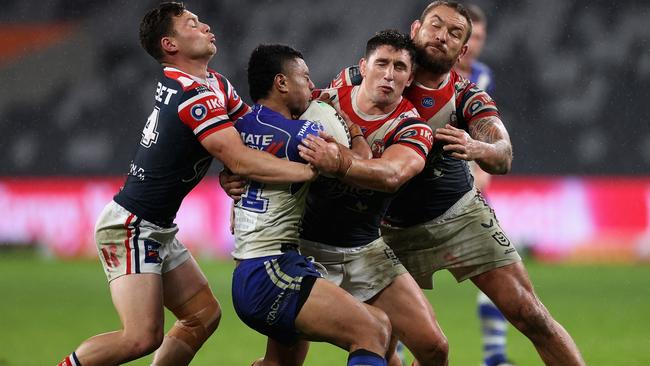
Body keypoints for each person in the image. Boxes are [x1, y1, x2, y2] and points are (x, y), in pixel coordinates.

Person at [56, 3, 318, 366]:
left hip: (156, 226)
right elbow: (242, 156)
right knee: (141, 336)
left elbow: (254, 132)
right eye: (192, 24)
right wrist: (310, 171)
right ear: (170, 45)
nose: (206, 26)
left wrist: (233, 169)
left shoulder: (212, 85)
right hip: (131, 226)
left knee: (202, 315)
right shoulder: (193, 96)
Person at [380, 2, 586, 365]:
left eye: (455, 33)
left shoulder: (467, 96)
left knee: (531, 314)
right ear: (416, 30)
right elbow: (316, 124)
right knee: (387, 339)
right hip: (387, 229)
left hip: (460, 217)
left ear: (463, 50)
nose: (442, 36)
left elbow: (503, 153)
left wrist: (479, 147)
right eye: (435, 26)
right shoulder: (373, 77)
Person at [231, 43, 392, 366]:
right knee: (373, 329)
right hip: (271, 271)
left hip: (253, 268)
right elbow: (359, 164)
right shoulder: (302, 134)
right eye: (304, 78)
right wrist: (354, 131)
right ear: (282, 83)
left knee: (282, 362)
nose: (311, 87)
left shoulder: (241, 127)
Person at [298, 30, 446, 366]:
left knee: (434, 348)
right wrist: (237, 178)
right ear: (363, 67)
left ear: (410, 78)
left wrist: (340, 162)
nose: (389, 74)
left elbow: (392, 175)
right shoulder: (318, 104)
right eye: (382, 63)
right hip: (304, 248)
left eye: (399, 67)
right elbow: (264, 137)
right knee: (284, 360)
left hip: (365, 248)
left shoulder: (412, 127)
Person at [454, 5, 512, 366]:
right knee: (397, 283)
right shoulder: (417, 72)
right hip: (420, 190)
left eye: (479, 37)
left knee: (500, 269)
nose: (473, 44)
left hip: (470, 187)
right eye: (468, 36)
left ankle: (495, 356)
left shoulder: (482, 77)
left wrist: (481, 169)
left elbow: (484, 127)